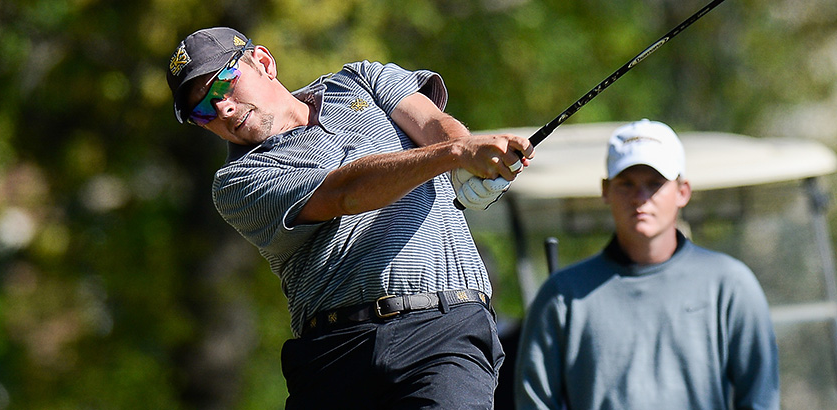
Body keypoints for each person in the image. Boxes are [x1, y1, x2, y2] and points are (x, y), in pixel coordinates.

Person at [166, 27, 535, 409]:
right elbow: (346, 193)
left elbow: (433, 127)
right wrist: (456, 154)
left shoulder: (361, 79)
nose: (222, 108)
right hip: (334, 357)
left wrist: (470, 160)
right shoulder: (237, 182)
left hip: (444, 333)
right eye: (202, 110)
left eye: (224, 83)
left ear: (263, 62)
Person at [513, 119, 779, 410]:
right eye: (626, 184)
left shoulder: (731, 284)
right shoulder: (561, 295)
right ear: (605, 190)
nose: (640, 199)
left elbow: (760, 399)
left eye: (655, 184)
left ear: (683, 191)